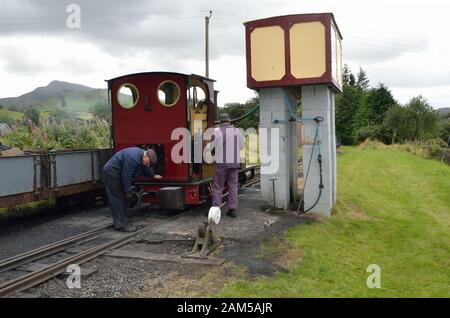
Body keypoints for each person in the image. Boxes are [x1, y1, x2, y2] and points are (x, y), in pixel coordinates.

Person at [102, 147, 162, 232]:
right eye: (148, 163)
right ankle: (120, 225)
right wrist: (128, 191)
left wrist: (153, 175)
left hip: (119, 173)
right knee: (117, 198)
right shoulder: (133, 158)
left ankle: (122, 221)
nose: (148, 165)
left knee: (124, 198)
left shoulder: (142, 156)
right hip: (112, 173)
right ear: (146, 157)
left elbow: (145, 168)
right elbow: (126, 176)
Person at [211, 113, 244, 217]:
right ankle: (232, 209)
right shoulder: (237, 131)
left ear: (220, 122)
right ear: (229, 121)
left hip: (220, 163)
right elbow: (242, 147)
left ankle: (216, 210)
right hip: (234, 163)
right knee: (233, 185)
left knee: (218, 186)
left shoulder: (216, 132)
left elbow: (212, 148)